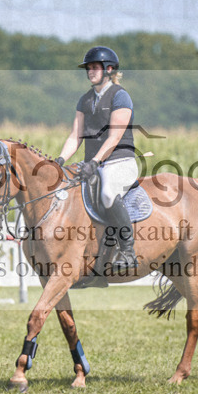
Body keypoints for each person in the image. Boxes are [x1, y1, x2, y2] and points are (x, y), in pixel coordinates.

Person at [55, 46, 140, 271]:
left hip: (119, 162)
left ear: (109, 69)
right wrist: (60, 161)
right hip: (93, 165)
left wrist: (95, 162)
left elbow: (114, 137)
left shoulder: (120, 96)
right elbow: (76, 135)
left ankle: (128, 250)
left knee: (108, 192)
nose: (90, 72)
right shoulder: (85, 100)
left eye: (95, 67)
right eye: (88, 68)